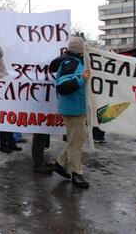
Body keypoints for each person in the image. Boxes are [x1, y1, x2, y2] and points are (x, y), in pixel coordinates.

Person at [49, 36, 90, 189]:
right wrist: (81, 79)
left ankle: (60, 164)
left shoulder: (73, 61)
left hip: (75, 108)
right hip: (73, 109)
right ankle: (76, 173)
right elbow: (63, 86)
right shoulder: (70, 63)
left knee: (76, 140)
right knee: (76, 141)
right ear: (80, 50)